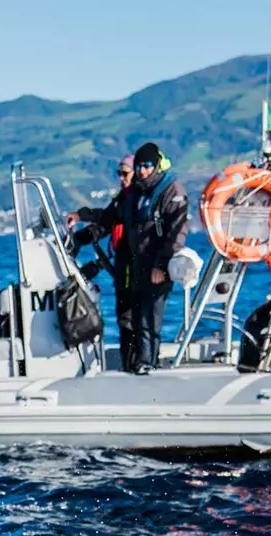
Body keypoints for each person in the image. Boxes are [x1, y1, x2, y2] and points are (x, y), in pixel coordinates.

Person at [119, 143, 188, 373]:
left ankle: (149, 362)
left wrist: (161, 265)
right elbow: (114, 214)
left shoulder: (172, 191)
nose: (142, 171)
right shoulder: (137, 191)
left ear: (156, 165)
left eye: (147, 166)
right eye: (138, 166)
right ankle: (141, 361)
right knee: (138, 318)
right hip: (139, 264)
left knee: (151, 317)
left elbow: (178, 232)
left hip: (159, 266)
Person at [66, 155, 136, 371]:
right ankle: (129, 366)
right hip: (121, 267)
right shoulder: (122, 199)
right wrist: (78, 237)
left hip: (133, 269)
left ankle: (135, 367)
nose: (121, 178)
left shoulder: (136, 200)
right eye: (119, 174)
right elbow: (104, 222)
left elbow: (107, 219)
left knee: (131, 319)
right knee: (125, 319)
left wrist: (83, 220)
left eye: (125, 174)